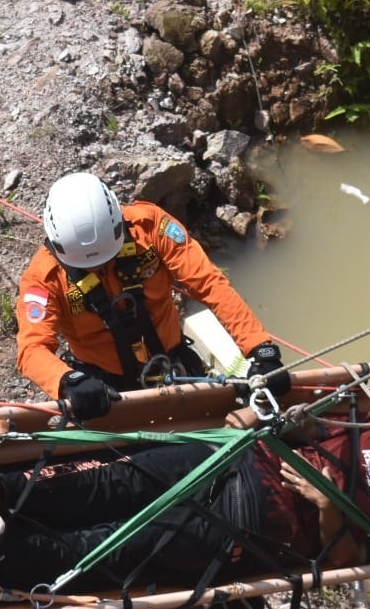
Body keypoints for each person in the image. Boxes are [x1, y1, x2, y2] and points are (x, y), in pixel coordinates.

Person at [0, 409, 370, 597]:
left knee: (119, 544)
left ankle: (1, 553)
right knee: (118, 482)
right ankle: (6, 493)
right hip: (242, 457)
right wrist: (281, 421)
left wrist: (328, 505)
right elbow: (313, 423)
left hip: (253, 525)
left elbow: (346, 566)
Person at [16, 171, 288, 423]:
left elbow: (208, 283)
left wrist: (260, 349)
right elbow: (32, 349)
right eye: (88, 266)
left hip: (175, 364)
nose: (98, 268)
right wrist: (68, 380)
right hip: (105, 388)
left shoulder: (151, 227)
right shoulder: (44, 278)